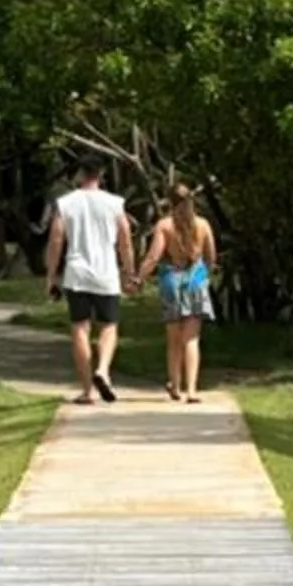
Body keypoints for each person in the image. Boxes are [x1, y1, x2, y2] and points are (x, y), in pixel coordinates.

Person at [44, 154, 135, 403]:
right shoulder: (115, 203)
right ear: (101, 175)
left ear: (81, 175)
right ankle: (103, 369)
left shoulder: (66, 203)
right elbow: (125, 240)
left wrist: (51, 274)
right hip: (106, 272)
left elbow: (56, 239)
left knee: (80, 327)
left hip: (77, 273)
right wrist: (129, 271)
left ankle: (87, 390)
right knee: (109, 325)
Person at [137, 182, 219, 402]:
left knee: (174, 339)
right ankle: (192, 389)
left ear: (170, 202)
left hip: (172, 279)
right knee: (191, 338)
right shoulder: (203, 225)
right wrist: (206, 274)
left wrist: (139, 277)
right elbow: (211, 257)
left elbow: (154, 256)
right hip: (196, 279)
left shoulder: (165, 225)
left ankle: (175, 384)